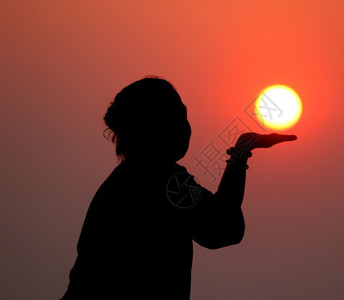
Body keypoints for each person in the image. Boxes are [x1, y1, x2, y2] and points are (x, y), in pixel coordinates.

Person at [61, 77, 296, 299]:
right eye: (180, 117)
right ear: (157, 127)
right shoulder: (166, 181)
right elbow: (223, 228)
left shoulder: (120, 182)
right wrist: (239, 154)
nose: (186, 127)